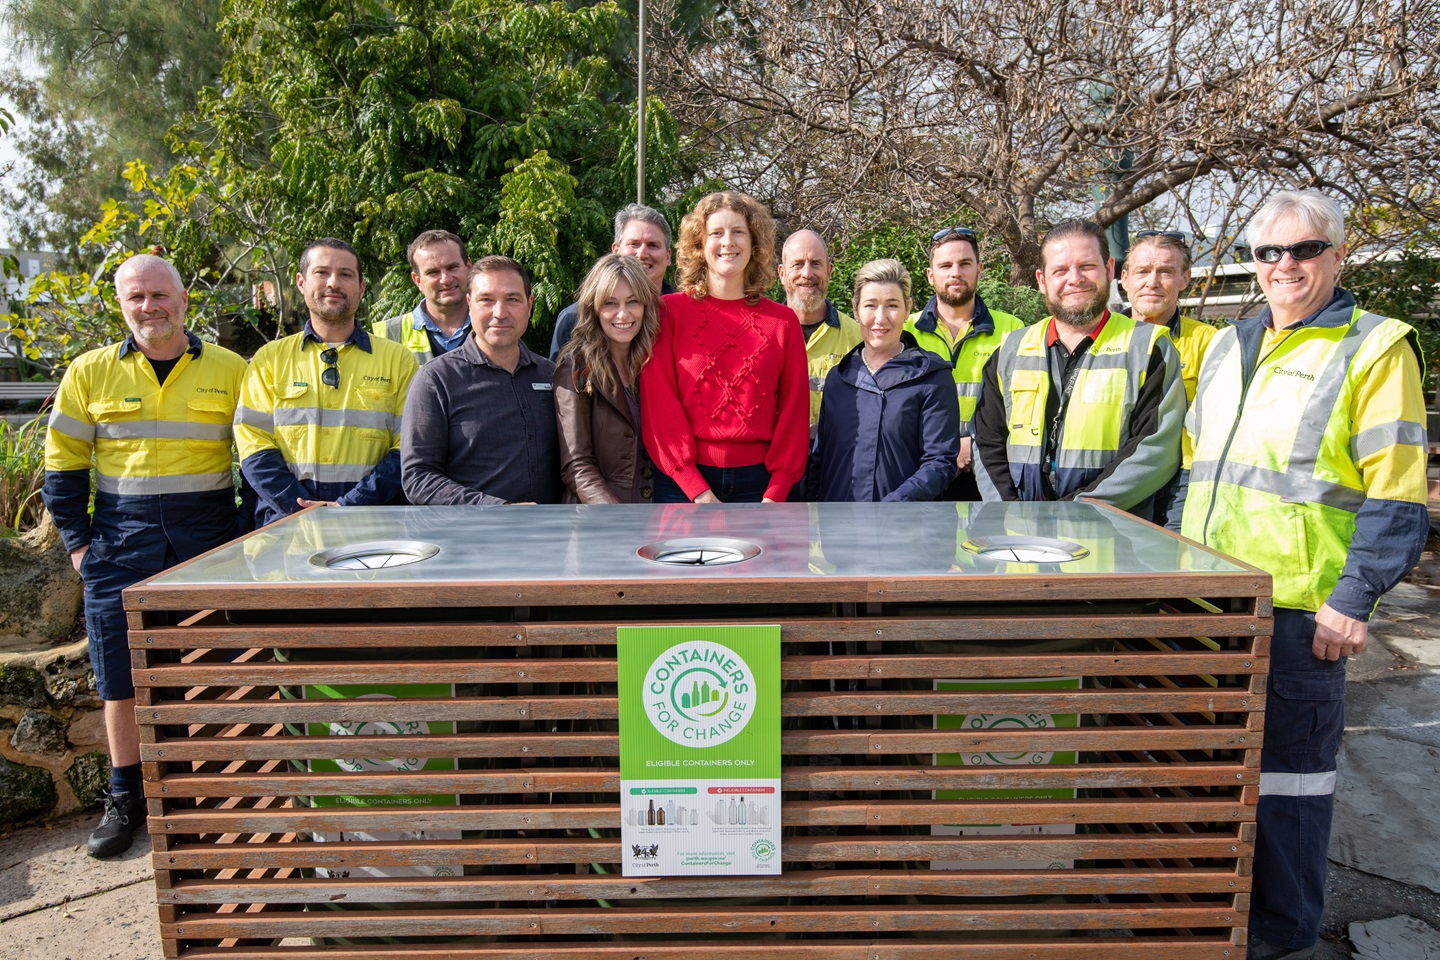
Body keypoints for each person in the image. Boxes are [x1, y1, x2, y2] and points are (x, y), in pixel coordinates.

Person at [1181, 191, 1428, 960]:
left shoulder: (1374, 346)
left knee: (1289, 782)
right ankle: (1215, 918)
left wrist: (1354, 599)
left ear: (1338, 255)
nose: (1285, 266)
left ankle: (1281, 935)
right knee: (1212, 776)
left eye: (1305, 250)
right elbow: (1199, 469)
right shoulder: (1228, 345)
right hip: (1212, 603)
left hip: (1301, 610)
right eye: (1268, 253)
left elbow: (1398, 490)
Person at [42, 254, 247, 857]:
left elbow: (260, 454)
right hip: (119, 542)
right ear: (121, 305)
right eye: (136, 297)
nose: (149, 306)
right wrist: (78, 545)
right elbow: (62, 467)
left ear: (184, 300)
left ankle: (212, 789)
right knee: (119, 680)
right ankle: (125, 795)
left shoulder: (232, 369)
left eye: (159, 294)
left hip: (205, 542)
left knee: (212, 670)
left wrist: (238, 534)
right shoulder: (90, 372)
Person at [972, 218, 1185, 513]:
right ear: (1042, 280)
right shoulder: (1010, 350)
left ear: (1109, 269)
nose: (1075, 278)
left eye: (1087, 266)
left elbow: (1156, 450)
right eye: (1060, 270)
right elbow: (986, 442)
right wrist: (1010, 511)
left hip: (1111, 533)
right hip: (1021, 533)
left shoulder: (1149, 348)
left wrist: (1076, 511)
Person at [640, 190, 809, 503]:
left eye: (738, 232)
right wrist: (697, 490)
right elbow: (658, 405)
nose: (727, 242)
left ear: (754, 243)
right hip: (684, 485)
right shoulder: (668, 312)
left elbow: (794, 414)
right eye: (716, 233)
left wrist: (775, 494)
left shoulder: (783, 322)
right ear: (700, 246)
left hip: (761, 486)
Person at [235, 238, 419, 526]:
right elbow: (254, 447)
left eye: (346, 274)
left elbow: (407, 447)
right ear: (301, 282)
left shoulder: (398, 360)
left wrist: (350, 506)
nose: (333, 283)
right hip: (287, 525)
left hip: (375, 523)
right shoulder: (268, 360)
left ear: (361, 288)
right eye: (321, 273)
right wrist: (300, 509)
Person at [402, 256, 562, 505]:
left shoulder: (552, 375)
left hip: (549, 536)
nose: (500, 313)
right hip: (471, 537)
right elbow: (418, 477)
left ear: (529, 304)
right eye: (486, 300)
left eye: (513, 299)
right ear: (469, 304)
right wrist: (496, 508)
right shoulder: (436, 380)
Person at [805, 258, 959, 502]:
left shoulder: (932, 377)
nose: (880, 318)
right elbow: (821, 459)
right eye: (870, 305)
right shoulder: (839, 378)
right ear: (855, 310)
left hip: (905, 528)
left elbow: (940, 463)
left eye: (892, 305)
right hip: (838, 528)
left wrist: (893, 506)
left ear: (908, 309)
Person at [904, 226, 1027, 500]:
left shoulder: (1012, 330)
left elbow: (1019, 408)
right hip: (919, 468)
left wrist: (972, 445)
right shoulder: (905, 330)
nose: (955, 272)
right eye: (945, 265)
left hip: (988, 471)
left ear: (979, 270)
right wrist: (946, 449)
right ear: (930, 275)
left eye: (964, 264)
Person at [1120, 229, 1217, 528]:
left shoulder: (1210, 342)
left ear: (1185, 279)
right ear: (1124, 278)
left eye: (1165, 271)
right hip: (1109, 483)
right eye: (1143, 271)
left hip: (1176, 491)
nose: (1152, 282)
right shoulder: (1099, 339)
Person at [553, 254, 661, 502]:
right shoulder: (578, 366)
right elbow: (576, 464)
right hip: (601, 521)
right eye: (610, 303)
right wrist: (616, 517)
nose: (623, 315)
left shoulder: (652, 362)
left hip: (656, 514)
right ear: (594, 308)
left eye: (632, 302)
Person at [550, 204, 675, 361]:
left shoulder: (683, 315)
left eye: (653, 245)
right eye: (633, 244)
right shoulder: (575, 318)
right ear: (615, 250)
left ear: (668, 256)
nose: (642, 253)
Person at [777, 228, 862, 429]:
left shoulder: (857, 336)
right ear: (782, 273)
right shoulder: (761, 333)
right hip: (777, 457)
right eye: (797, 264)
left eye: (816, 264)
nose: (807, 274)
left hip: (838, 457)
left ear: (829, 271)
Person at [372, 229, 472, 364]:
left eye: (452, 267)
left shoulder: (498, 325)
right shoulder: (386, 335)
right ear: (417, 280)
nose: (445, 279)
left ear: (469, 268)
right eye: (433, 272)